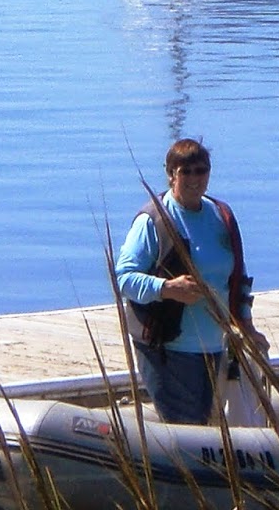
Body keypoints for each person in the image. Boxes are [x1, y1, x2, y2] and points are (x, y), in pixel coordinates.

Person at [114, 139, 267, 424]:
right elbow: (124, 278)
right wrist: (167, 289)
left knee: (212, 426)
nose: (195, 178)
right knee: (188, 428)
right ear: (171, 174)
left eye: (201, 170)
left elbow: (238, 277)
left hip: (214, 345)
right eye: (186, 171)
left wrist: (247, 325)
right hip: (168, 349)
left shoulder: (221, 216)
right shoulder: (154, 220)